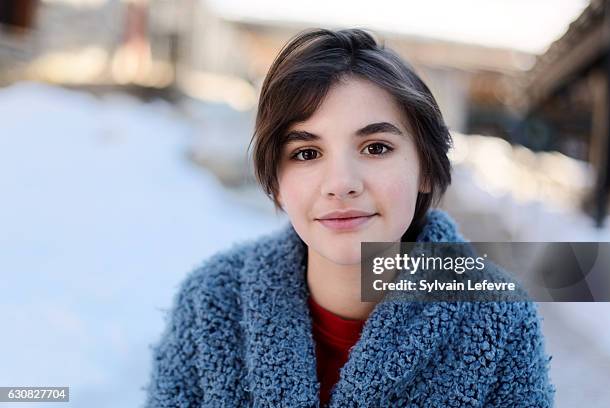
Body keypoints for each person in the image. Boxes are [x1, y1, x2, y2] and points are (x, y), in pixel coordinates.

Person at [144, 28, 554, 407]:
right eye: (306, 153)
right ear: (275, 183)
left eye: (375, 148)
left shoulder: (500, 318)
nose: (340, 184)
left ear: (426, 167)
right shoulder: (211, 301)